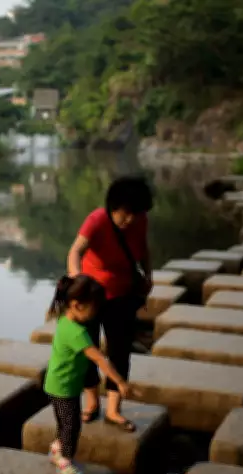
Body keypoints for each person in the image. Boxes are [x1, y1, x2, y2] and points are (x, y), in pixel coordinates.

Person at [66, 176, 153, 431]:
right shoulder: (97, 220)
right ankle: (92, 402)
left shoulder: (140, 220)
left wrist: (149, 275)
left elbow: (143, 250)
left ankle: (114, 409)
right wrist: (77, 280)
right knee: (87, 349)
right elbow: (75, 251)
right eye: (125, 214)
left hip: (122, 294)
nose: (130, 220)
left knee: (119, 351)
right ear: (113, 207)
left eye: (135, 214)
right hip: (92, 296)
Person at [43, 275, 136, 474]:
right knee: (72, 426)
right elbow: (101, 359)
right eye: (94, 308)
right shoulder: (77, 333)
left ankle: (57, 447)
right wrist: (120, 382)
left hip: (57, 384)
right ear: (77, 305)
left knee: (64, 421)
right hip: (64, 388)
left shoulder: (65, 319)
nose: (97, 313)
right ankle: (64, 462)